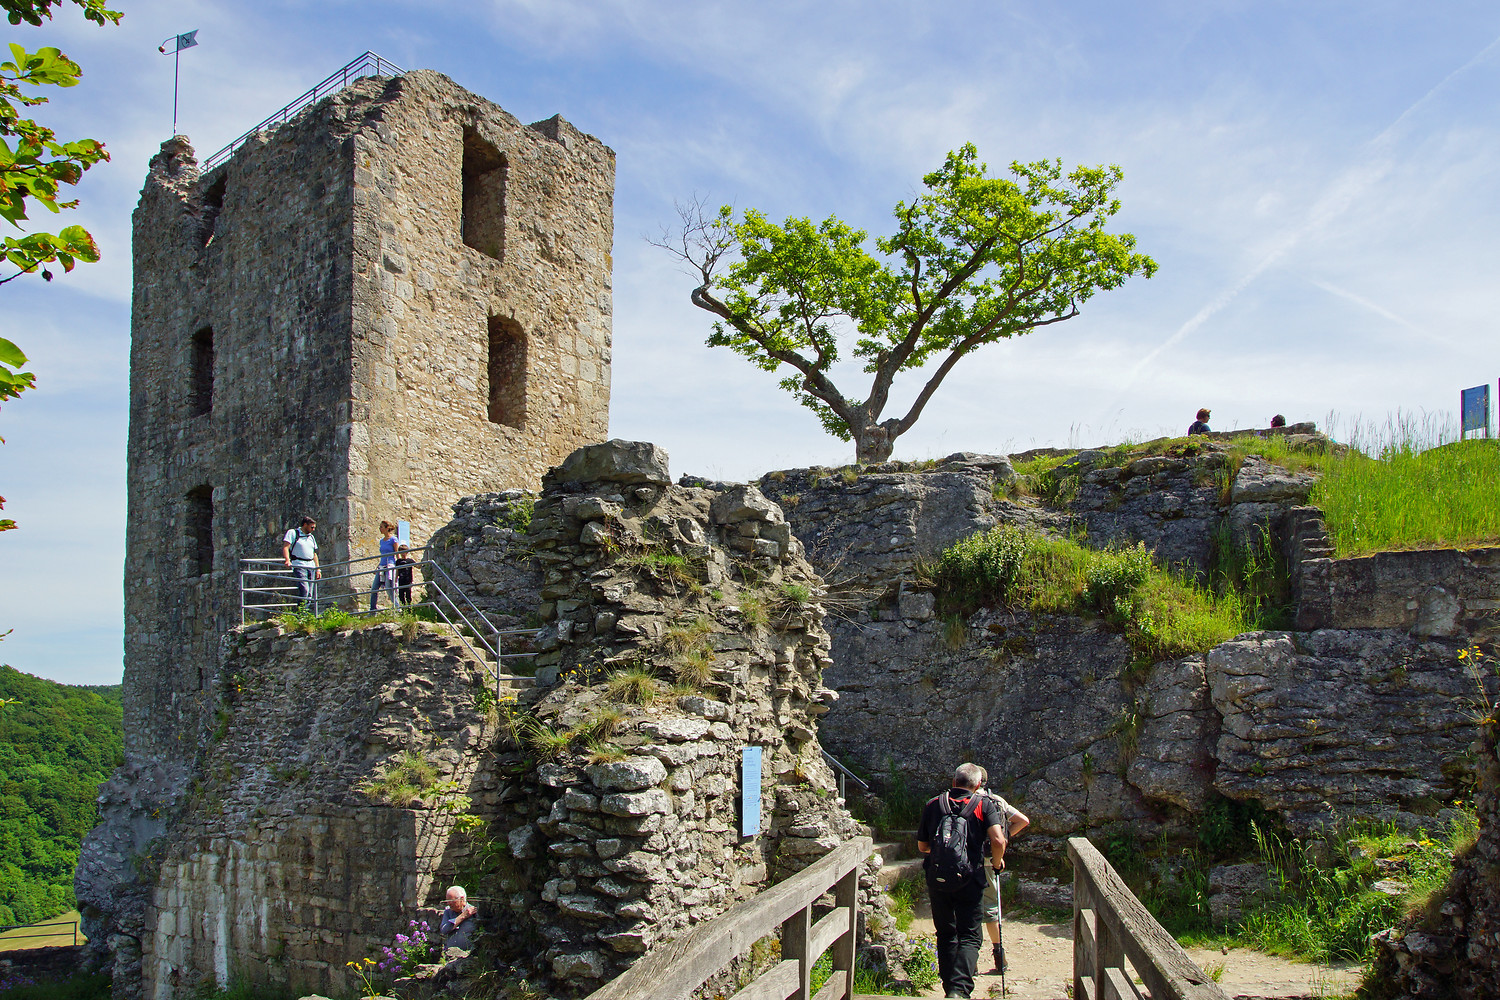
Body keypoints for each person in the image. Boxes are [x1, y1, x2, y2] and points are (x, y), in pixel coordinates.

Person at [917, 763, 1006, 999]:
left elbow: (922, 846)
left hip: (937, 879)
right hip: (970, 880)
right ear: (977, 785)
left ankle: (950, 988)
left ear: (953, 781)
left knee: (945, 933)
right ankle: (959, 990)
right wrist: (997, 863)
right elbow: (998, 840)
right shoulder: (984, 804)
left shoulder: (934, 804)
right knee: (970, 935)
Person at [975, 766, 1030, 975]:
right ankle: (1000, 958)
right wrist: (1004, 838)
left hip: (968, 862)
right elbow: (1023, 820)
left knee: (969, 909)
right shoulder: (997, 800)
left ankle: (971, 960)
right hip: (992, 860)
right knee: (991, 910)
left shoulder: (965, 801)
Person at [281, 516, 320, 610]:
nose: (313, 529)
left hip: (311, 566)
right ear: (305, 525)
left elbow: (314, 554)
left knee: (310, 593)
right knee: (304, 589)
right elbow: (286, 547)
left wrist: (318, 569)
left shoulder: (311, 537)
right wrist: (287, 559)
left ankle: (304, 613)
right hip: (299, 564)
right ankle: (300, 612)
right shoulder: (293, 533)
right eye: (312, 527)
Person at [369, 520, 398, 611]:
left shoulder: (393, 539)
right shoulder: (381, 541)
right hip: (381, 565)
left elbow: (397, 554)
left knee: (389, 588)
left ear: (387, 528)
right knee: (374, 588)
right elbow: (382, 555)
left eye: (381, 527)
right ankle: (372, 610)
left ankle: (398, 608)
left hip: (390, 565)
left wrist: (397, 566)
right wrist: (377, 567)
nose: (380, 529)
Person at [441, 885, 478, 951]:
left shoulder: (474, 912)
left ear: (462, 899)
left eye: (451, 900)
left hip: (467, 955)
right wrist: (462, 916)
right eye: (447, 901)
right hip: (450, 955)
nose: (448, 903)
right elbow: (444, 930)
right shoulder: (448, 912)